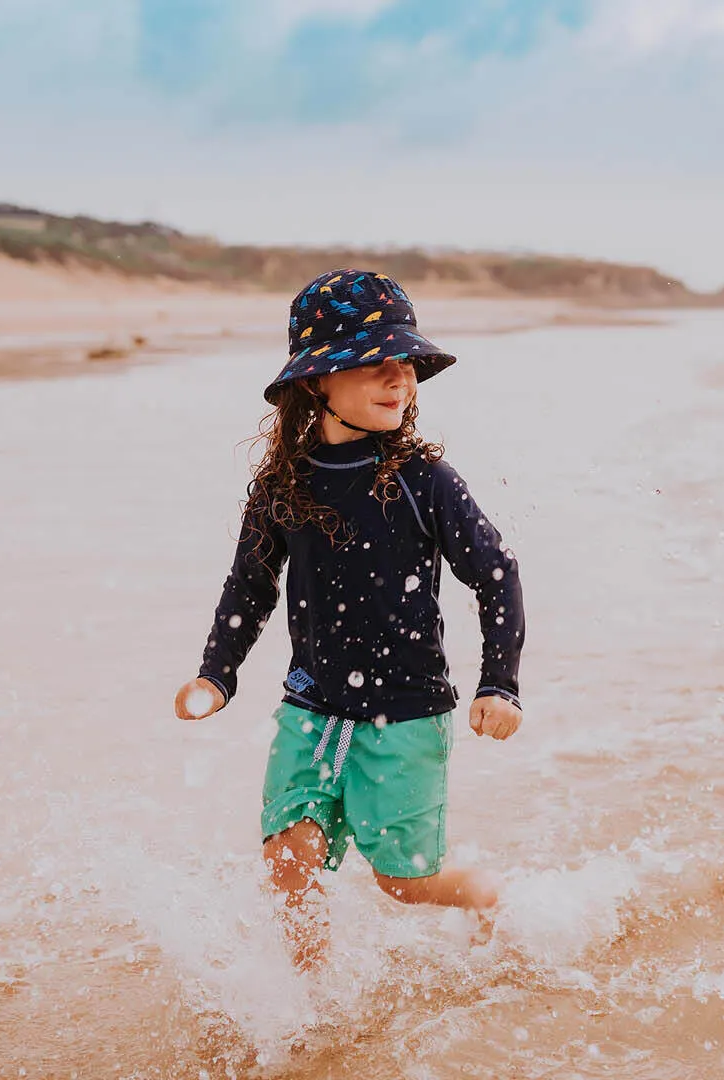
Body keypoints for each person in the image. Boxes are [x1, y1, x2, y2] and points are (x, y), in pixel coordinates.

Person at [174, 268, 525, 970]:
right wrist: (217, 673)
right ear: (318, 382)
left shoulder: (424, 479)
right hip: (311, 706)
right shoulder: (284, 486)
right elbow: (249, 586)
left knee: (404, 884)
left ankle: (491, 897)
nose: (399, 379)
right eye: (375, 364)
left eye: (406, 363)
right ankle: (313, 1007)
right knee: (288, 863)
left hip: (406, 713)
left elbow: (496, 573)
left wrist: (499, 683)